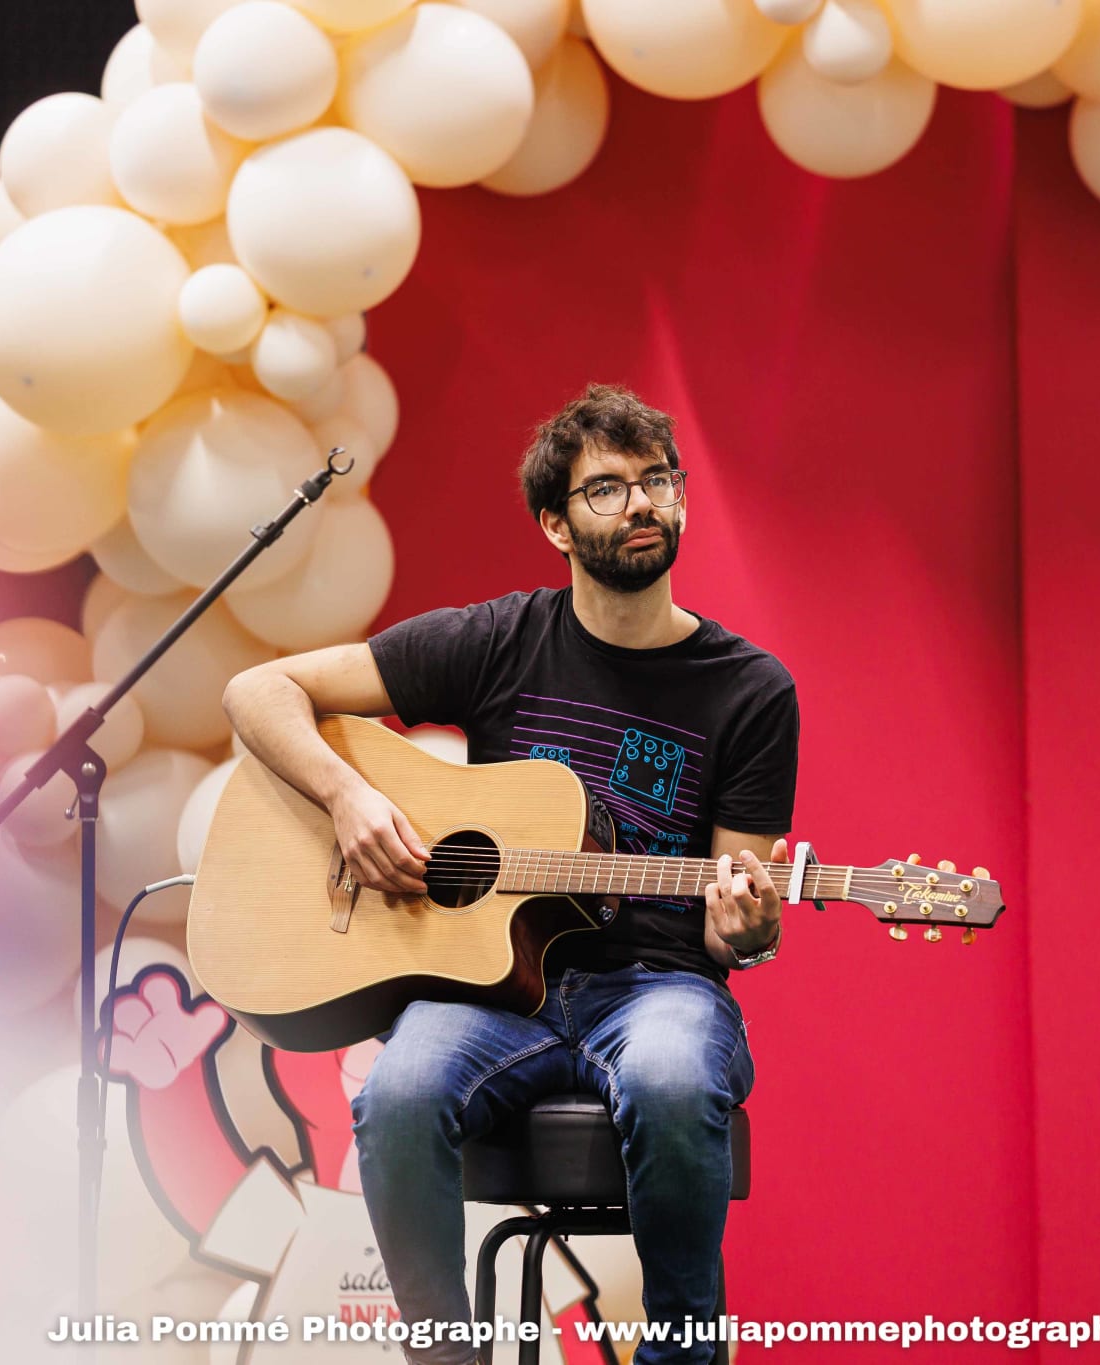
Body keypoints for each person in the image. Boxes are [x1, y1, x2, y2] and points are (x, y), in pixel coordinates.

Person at [222, 383, 800, 1364]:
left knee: (666, 1077)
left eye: (658, 481)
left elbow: (728, 922)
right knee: (397, 1091)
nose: (642, 505)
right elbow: (258, 688)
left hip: (657, 988)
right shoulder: (496, 640)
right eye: (608, 489)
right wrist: (348, 799)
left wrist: (748, 928)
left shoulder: (750, 690)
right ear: (554, 525)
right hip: (493, 993)